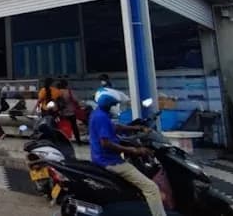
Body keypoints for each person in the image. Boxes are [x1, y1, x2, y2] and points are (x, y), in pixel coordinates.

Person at [90, 88, 166, 216]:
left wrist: (136, 127)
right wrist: (134, 150)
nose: (116, 107)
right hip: (110, 161)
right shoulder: (101, 117)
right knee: (151, 188)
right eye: (114, 104)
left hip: (101, 157)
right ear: (107, 104)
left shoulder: (99, 113)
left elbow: (115, 127)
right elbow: (106, 143)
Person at [57, 79, 82, 144]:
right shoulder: (69, 92)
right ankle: (78, 141)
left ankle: (63, 141)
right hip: (71, 112)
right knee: (74, 127)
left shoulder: (58, 92)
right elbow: (76, 100)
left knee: (63, 127)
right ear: (66, 85)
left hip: (62, 113)